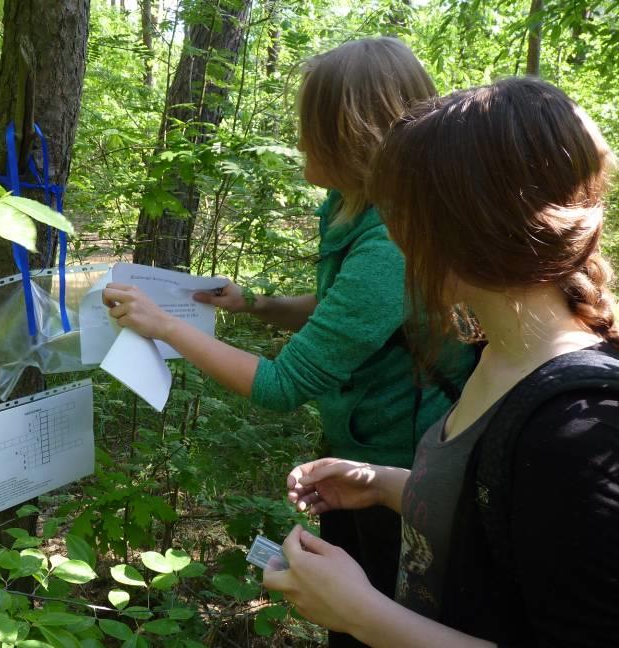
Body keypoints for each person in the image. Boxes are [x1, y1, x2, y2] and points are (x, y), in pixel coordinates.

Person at [102, 37, 476, 647]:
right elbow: (345, 312)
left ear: (352, 136)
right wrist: (257, 304)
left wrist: (164, 325)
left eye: (311, 129)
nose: (300, 141)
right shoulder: (351, 204)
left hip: (408, 473)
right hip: (359, 459)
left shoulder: (391, 242)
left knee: (375, 621)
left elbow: (282, 386)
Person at [263, 77, 619, 646]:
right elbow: (507, 514)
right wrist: (384, 485)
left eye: (401, 217)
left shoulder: (575, 426)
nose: (395, 242)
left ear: (462, 229)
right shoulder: (501, 354)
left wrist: (360, 613)